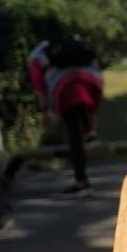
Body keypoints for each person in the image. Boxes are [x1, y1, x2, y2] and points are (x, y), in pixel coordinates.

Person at [27, 36, 103, 198]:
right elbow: (97, 81)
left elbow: (38, 84)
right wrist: (93, 127)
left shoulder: (35, 57)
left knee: (74, 135)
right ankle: (91, 135)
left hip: (65, 86)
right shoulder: (78, 48)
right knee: (82, 128)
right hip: (92, 81)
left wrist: (45, 111)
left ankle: (82, 184)